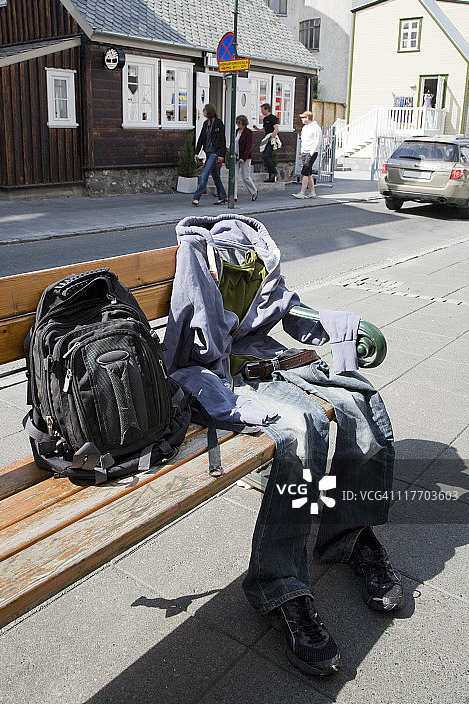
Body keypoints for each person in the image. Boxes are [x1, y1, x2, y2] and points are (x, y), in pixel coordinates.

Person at [164, 213, 403, 678]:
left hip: (267, 354)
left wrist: (338, 328)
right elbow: (197, 338)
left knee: (360, 406)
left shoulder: (257, 250)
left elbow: (284, 308)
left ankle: (351, 535)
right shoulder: (197, 254)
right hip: (221, 371)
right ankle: (282, 587)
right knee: (301, 430)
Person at [192, 104, 228, 206]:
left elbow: (222, 139)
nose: (203, 112)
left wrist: (221, 154)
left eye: (204, 110)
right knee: (216, 176)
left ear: (209, 111)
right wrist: (196, 152)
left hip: (214, 153)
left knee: (205, 174)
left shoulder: (218, 123)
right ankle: (222, 196)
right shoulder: (205, 124)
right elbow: (201, 138)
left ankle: (196, 197)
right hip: (207, 152)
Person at [293, 110, 322, 200]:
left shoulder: (316, 128)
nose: (302, 119)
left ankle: (302, 193)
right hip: (305, 151)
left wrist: (312, 152)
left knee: (305, 171)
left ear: (308, 118)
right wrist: (302, 151)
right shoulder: (305, 128)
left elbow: (318, 141)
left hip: (311, 152)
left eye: (303, 117)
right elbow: (303, 140)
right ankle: (312, 192)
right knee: (308, 173)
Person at [234, 115, 258, 202]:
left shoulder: (248, 132)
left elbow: (248, 146)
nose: (237, 124)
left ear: (243, 123)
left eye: (239, 123)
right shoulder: (236, 131)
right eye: (236, 122)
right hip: (236, 156)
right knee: (234, 176)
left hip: (245, 157)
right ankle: (234, 196)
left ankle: (254, 191)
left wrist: (243, 158)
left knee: (245, 177)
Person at [254, 103, 279, 182]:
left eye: (262, 110)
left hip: (271, 140)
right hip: (267, 139)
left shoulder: (273, 118)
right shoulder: (265, 119)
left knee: (266, 156)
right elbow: (264, 129)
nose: (261, 111)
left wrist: (272, 137)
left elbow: (276, 129)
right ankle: (271, 176)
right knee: (267, 156)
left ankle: (274, 172)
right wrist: (257, 129)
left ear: (267, 109)